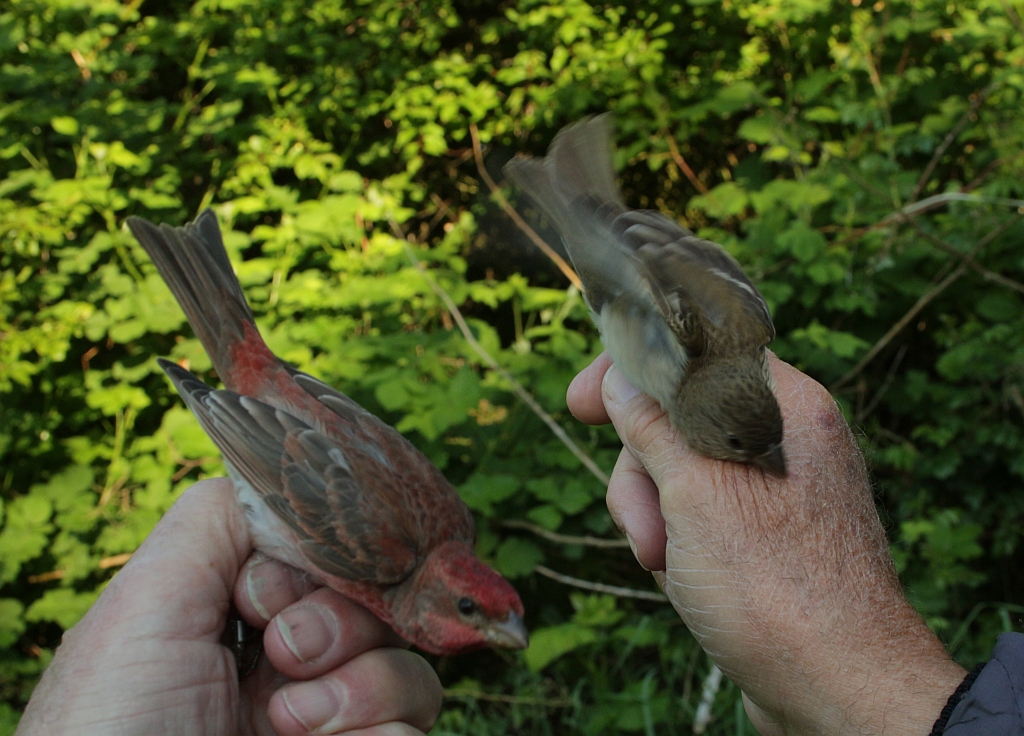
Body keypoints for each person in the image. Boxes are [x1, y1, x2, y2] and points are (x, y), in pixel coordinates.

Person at [15, 353, 1021, 735]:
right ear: (439, 591)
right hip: (261, 427)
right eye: (479, 613)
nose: (500, 633)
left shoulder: (426, 539)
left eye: (493, 618)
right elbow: (284, 465)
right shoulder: (380, 552)